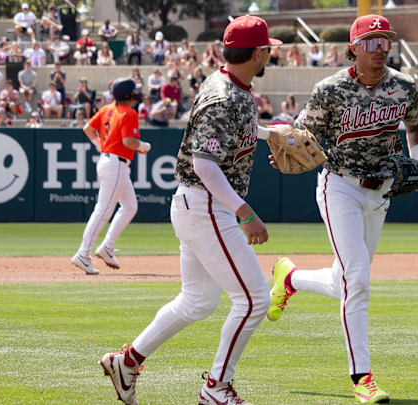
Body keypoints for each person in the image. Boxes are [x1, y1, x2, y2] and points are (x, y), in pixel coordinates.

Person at [98, 15, 281, 405]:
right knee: (254, 300)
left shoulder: (229, 84)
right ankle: (216, 388)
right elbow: (204, 164)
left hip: (198, 205)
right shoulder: (225, 96)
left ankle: (126, 362)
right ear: (258, 52)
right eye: (268, 48)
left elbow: (231, 129)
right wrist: (245, 212)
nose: (270, 53)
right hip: (206, 205)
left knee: (197, 301)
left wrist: (271, 133)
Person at [267, 14, 418, 404]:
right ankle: (362, 377)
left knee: (346, 280)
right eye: (372, 41)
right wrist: (287, 151)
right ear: (353, 47)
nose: (380, 48)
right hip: (339, 186)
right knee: (358, 278)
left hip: (383, 190)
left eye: (385, 41)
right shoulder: (330, 89)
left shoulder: (403, 86)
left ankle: (289, 279)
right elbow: (304, 134)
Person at [71, 77, 150, 275]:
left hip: (112, 162)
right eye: (133, 91)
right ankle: (83, 254)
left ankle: (106, 247)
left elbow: (87, 129)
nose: (136, 93)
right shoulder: (129, 112)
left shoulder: (107, 109)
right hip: (115, 164)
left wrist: (102, 147)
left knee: (130, 206)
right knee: (103, 210)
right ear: (127, 94)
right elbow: (129, 141)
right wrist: (143, 145)